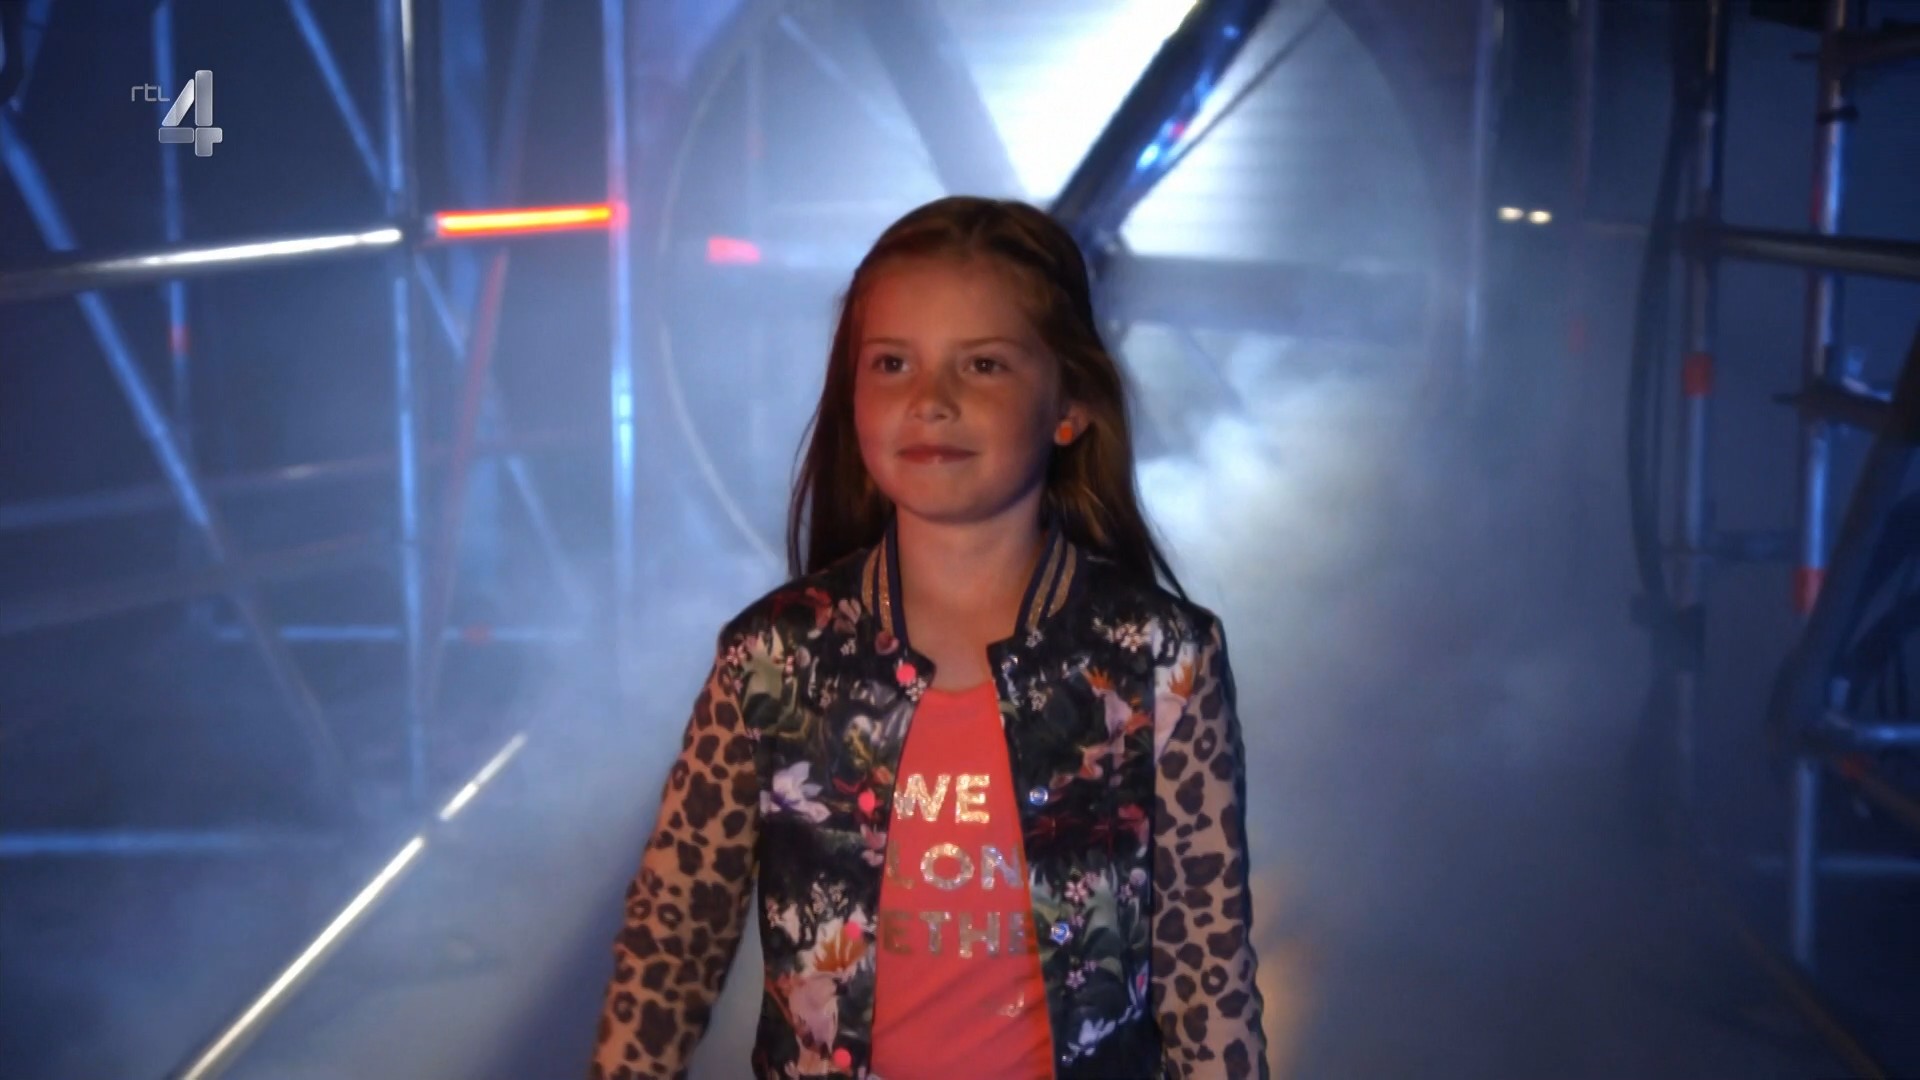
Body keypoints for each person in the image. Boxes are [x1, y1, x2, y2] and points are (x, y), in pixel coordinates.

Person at [591, 196, 1266, 1079]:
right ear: (853, 399)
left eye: (982, 364)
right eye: (892, 363)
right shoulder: (776, 660)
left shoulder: (1159, 659)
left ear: (1069, 405)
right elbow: (671, 940)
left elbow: (1208, 979)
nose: (930, 401)